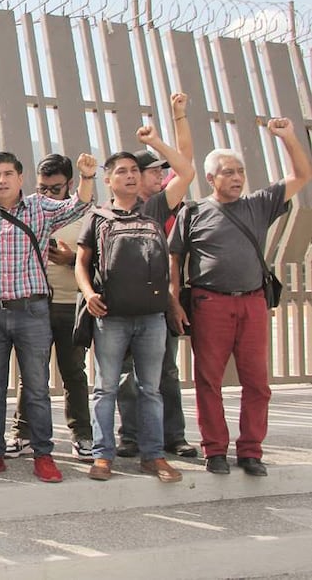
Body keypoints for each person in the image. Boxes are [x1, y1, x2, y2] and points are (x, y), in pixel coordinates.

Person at [169, 117, 312, 476]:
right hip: (209, 303)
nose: (236, 177)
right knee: (208, 380)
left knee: (256, 382)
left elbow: (302, 175)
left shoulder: (259, 204)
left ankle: (251, 451)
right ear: (211, 179)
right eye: (228, 172)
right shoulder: (193, 212)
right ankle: (214, 450)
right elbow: (175, 259)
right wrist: (174, 300)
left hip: (252, 303)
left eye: (240, 171)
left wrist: (288, 138)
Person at [0, 149, 96, 484]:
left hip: (32, 311)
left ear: (20, 178)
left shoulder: (40, 207)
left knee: (37, 387)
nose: (2, 180)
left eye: (8, 174)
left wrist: (86, 177)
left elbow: (78, 206)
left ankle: (43, 453)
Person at [75, 125, 193, 483]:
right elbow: (82, 262)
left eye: (134, 170)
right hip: (111, 316)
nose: (129, 175)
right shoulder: (97, 216)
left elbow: (186, 171)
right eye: (121, 171)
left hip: (152, 316)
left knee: (151, 388)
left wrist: (154, 142)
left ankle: (153, 456)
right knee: (106, 388)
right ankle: (102, 455)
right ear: (108, 180)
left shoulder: (155, 208)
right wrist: (90, 294)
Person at [116, 93, 197, 460]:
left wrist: (176, 120)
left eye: (158, 171)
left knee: (165, 372)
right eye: (152, 170)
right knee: (126, 374)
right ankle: (130, 436)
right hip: (126, 301)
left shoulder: (164, 202)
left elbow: (186, 167)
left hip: (160, 298)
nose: (160, 175)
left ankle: (173, 435)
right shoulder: (120, 209)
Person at [5, 153, 93, 461]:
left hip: (71, 304)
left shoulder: (86, 213)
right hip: (36, 303)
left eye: (54, 189)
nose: (46, 195)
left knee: (74, 374)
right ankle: (22, 433)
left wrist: (72, 261)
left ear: (70, 184)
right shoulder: (28, 209)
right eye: (42, 188)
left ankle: (82, 434)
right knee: (30, 375)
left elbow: (100, 261)